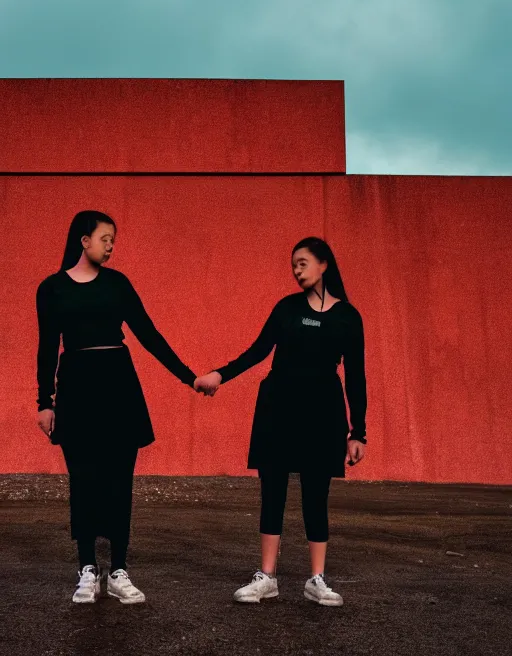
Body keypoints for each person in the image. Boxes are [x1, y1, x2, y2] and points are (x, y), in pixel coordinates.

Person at [36, 210, 212, 605]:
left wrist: (189, 377)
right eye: (105, 238)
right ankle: (87, 569)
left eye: (114, 239)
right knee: (82, 478)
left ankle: (117, 570)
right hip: (77, 387)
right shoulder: (52, 289)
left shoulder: (118, 285)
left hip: (118, 385)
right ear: (84, 240)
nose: (111, 245)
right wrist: (44, 402)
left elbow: (149, 335)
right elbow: (47, 349)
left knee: (119, 479)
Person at [195, 237, 367, 607]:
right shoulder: (286, 309)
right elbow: (258, 351)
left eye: (303, 263)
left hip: (323, 413)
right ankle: (267, 577)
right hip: (278, 408)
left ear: (324, 264)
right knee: (272, 491)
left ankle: (316, 579)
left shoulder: (347, 317)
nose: (296, 270)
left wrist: (359, 432)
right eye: (293, 265)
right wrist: (219, 375)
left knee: (315, 495)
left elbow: (356, 376)